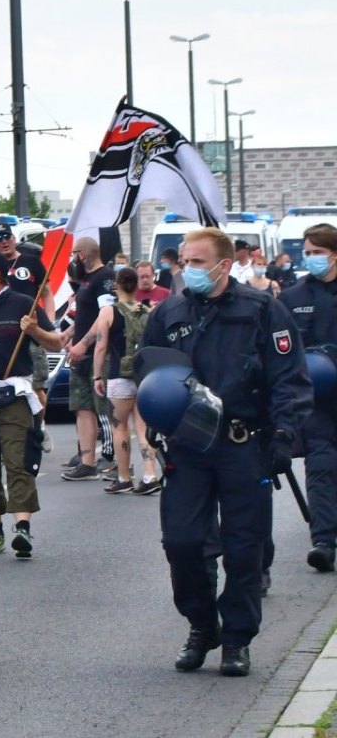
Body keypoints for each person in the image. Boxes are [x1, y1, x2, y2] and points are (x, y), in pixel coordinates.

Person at [141, 227, 311, 677]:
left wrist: (282, 436)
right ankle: (202, 625)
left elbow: (289, 378)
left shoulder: (262, 311)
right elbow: (149, 372)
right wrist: (153, 423)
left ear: (223, 264)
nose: (187, 270)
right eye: (184, 262)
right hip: (188, 447)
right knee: (182, 542)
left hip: (244, 444)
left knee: (243, 548)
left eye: (197, 262)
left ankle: (237, 639)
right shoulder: (169, 313)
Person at [0, 250, 61, 559]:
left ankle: (22, 527)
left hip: (14, 393)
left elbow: (56, 343)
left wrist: (33, 330)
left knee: (18, 459)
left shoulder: (22, 303)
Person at [280, 223, 337, 572]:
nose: (311, 258)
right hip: (315, 398)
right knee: (320, 465)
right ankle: (324, 541)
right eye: (308, 252)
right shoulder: (293, 297)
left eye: (318, 252)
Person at [91, 267, 159, 495]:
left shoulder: (108, 312)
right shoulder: (147, 311)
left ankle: (124, 476)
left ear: (117, 285)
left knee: (119, 427)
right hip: (143, 376)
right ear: (136, 286)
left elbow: (101, 346)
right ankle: (150, 475)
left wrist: (97, 375)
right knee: (143, 428)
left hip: (119, 376)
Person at [60, 236, 117, 482]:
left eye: (74, 255)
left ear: (82, 255)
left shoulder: (105, 277)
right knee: (82, 408)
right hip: (80, 354)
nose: (73, 260)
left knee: (104, 408)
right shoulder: (86, 281)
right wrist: (68, 334)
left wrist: (84, 344)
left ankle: (114, 459)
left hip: (98, 353)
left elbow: (105, 315)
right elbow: (84, 314)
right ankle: (87, 462)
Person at [0, 222, 53, 409]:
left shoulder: (31, 261)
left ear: (14, 238)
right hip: (2, 332)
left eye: (7, 237)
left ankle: (39, 428)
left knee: (37, 385)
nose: (4, 242)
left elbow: (46, 293)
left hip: (31, 330)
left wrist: (47, 322)